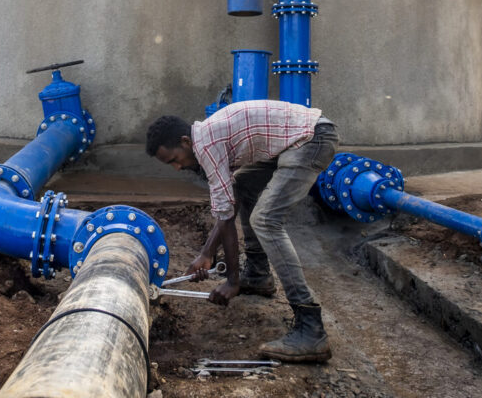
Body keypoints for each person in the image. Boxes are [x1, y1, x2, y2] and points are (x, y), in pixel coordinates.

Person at [145, 99, 339, 363]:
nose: (178, 168)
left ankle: (311, 328)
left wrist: (232, 281)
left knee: (266, 220)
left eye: (174, 160)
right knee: (242, 184)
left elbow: (225, 216)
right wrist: (207, 253)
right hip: (296, 139)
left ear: (185, 142)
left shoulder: (207, 146)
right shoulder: (205, 136)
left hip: (311, 139)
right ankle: (258, 275)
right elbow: (228, 205)